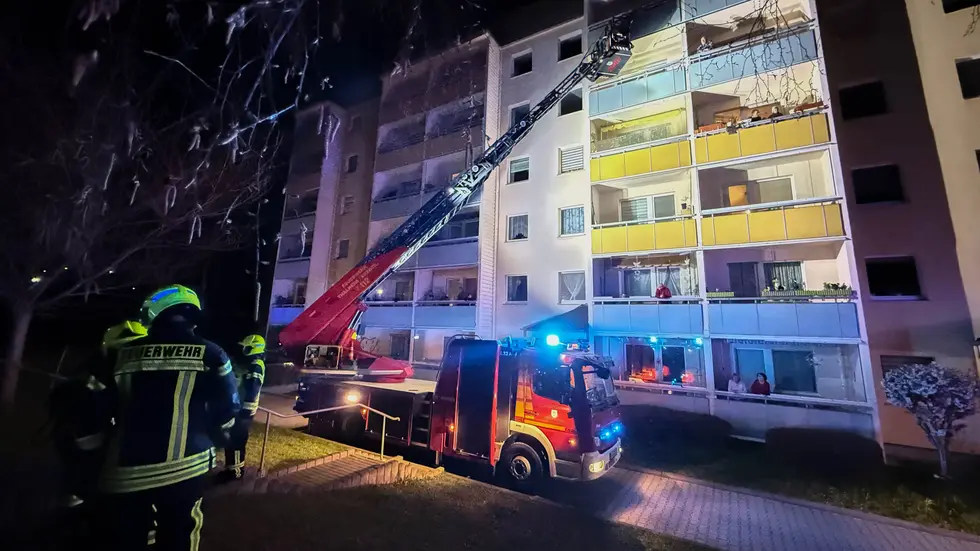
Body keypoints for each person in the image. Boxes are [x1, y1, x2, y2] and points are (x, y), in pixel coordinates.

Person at [99, 284, 240, 551]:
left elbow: (98, 408)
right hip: (187, 465)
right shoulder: (211, 353)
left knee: (128, 536)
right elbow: (230, 405)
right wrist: (216, 434)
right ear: (193, 316)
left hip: (126, 470)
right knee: (180, 533)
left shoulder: (120, 355)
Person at [48, 321, 148, 545]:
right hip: (87, 439)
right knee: (90, 489)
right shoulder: (100, 372)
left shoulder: (105, 367)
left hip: (84, 439)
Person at [220, 334, 266, 482]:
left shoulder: (256, 365)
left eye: (246, 347)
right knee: (233, 439)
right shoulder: (254, 363)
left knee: (237, 441)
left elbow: (252, 388)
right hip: (242, 410)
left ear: (253, 348)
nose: (243, 350)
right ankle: (231, 469)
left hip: (245, 411)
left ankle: (236, 473)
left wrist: (245, 410)